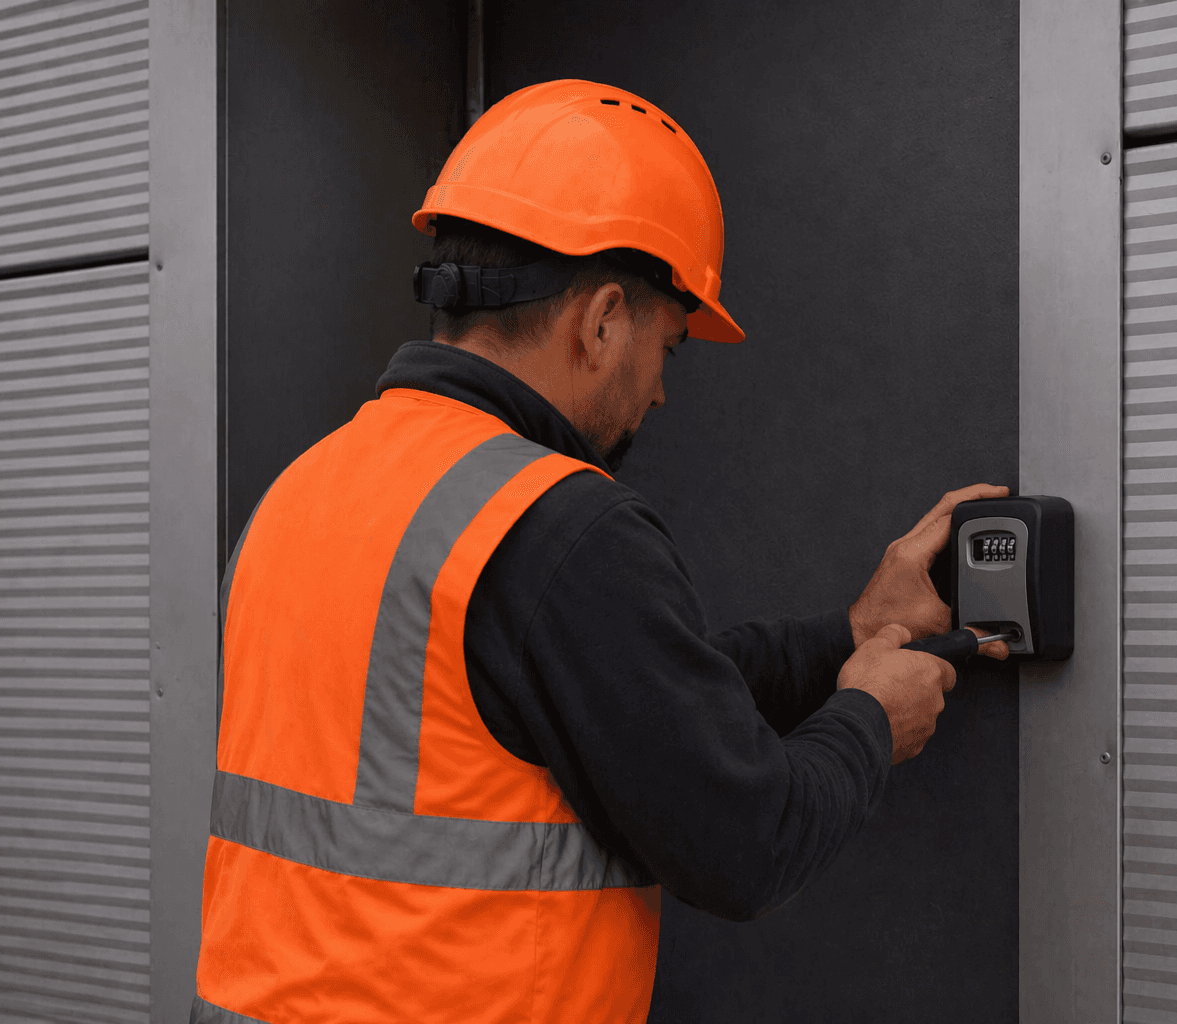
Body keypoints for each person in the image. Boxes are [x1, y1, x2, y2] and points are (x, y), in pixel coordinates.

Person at [190, 79, 1008, 1024]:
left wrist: (848, 635)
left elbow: (613, 706)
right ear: (603, 319)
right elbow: (746, 840)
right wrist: (870, 717)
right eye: (668, 345)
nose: (660, 393)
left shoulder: (301, 492)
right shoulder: (560, 524)